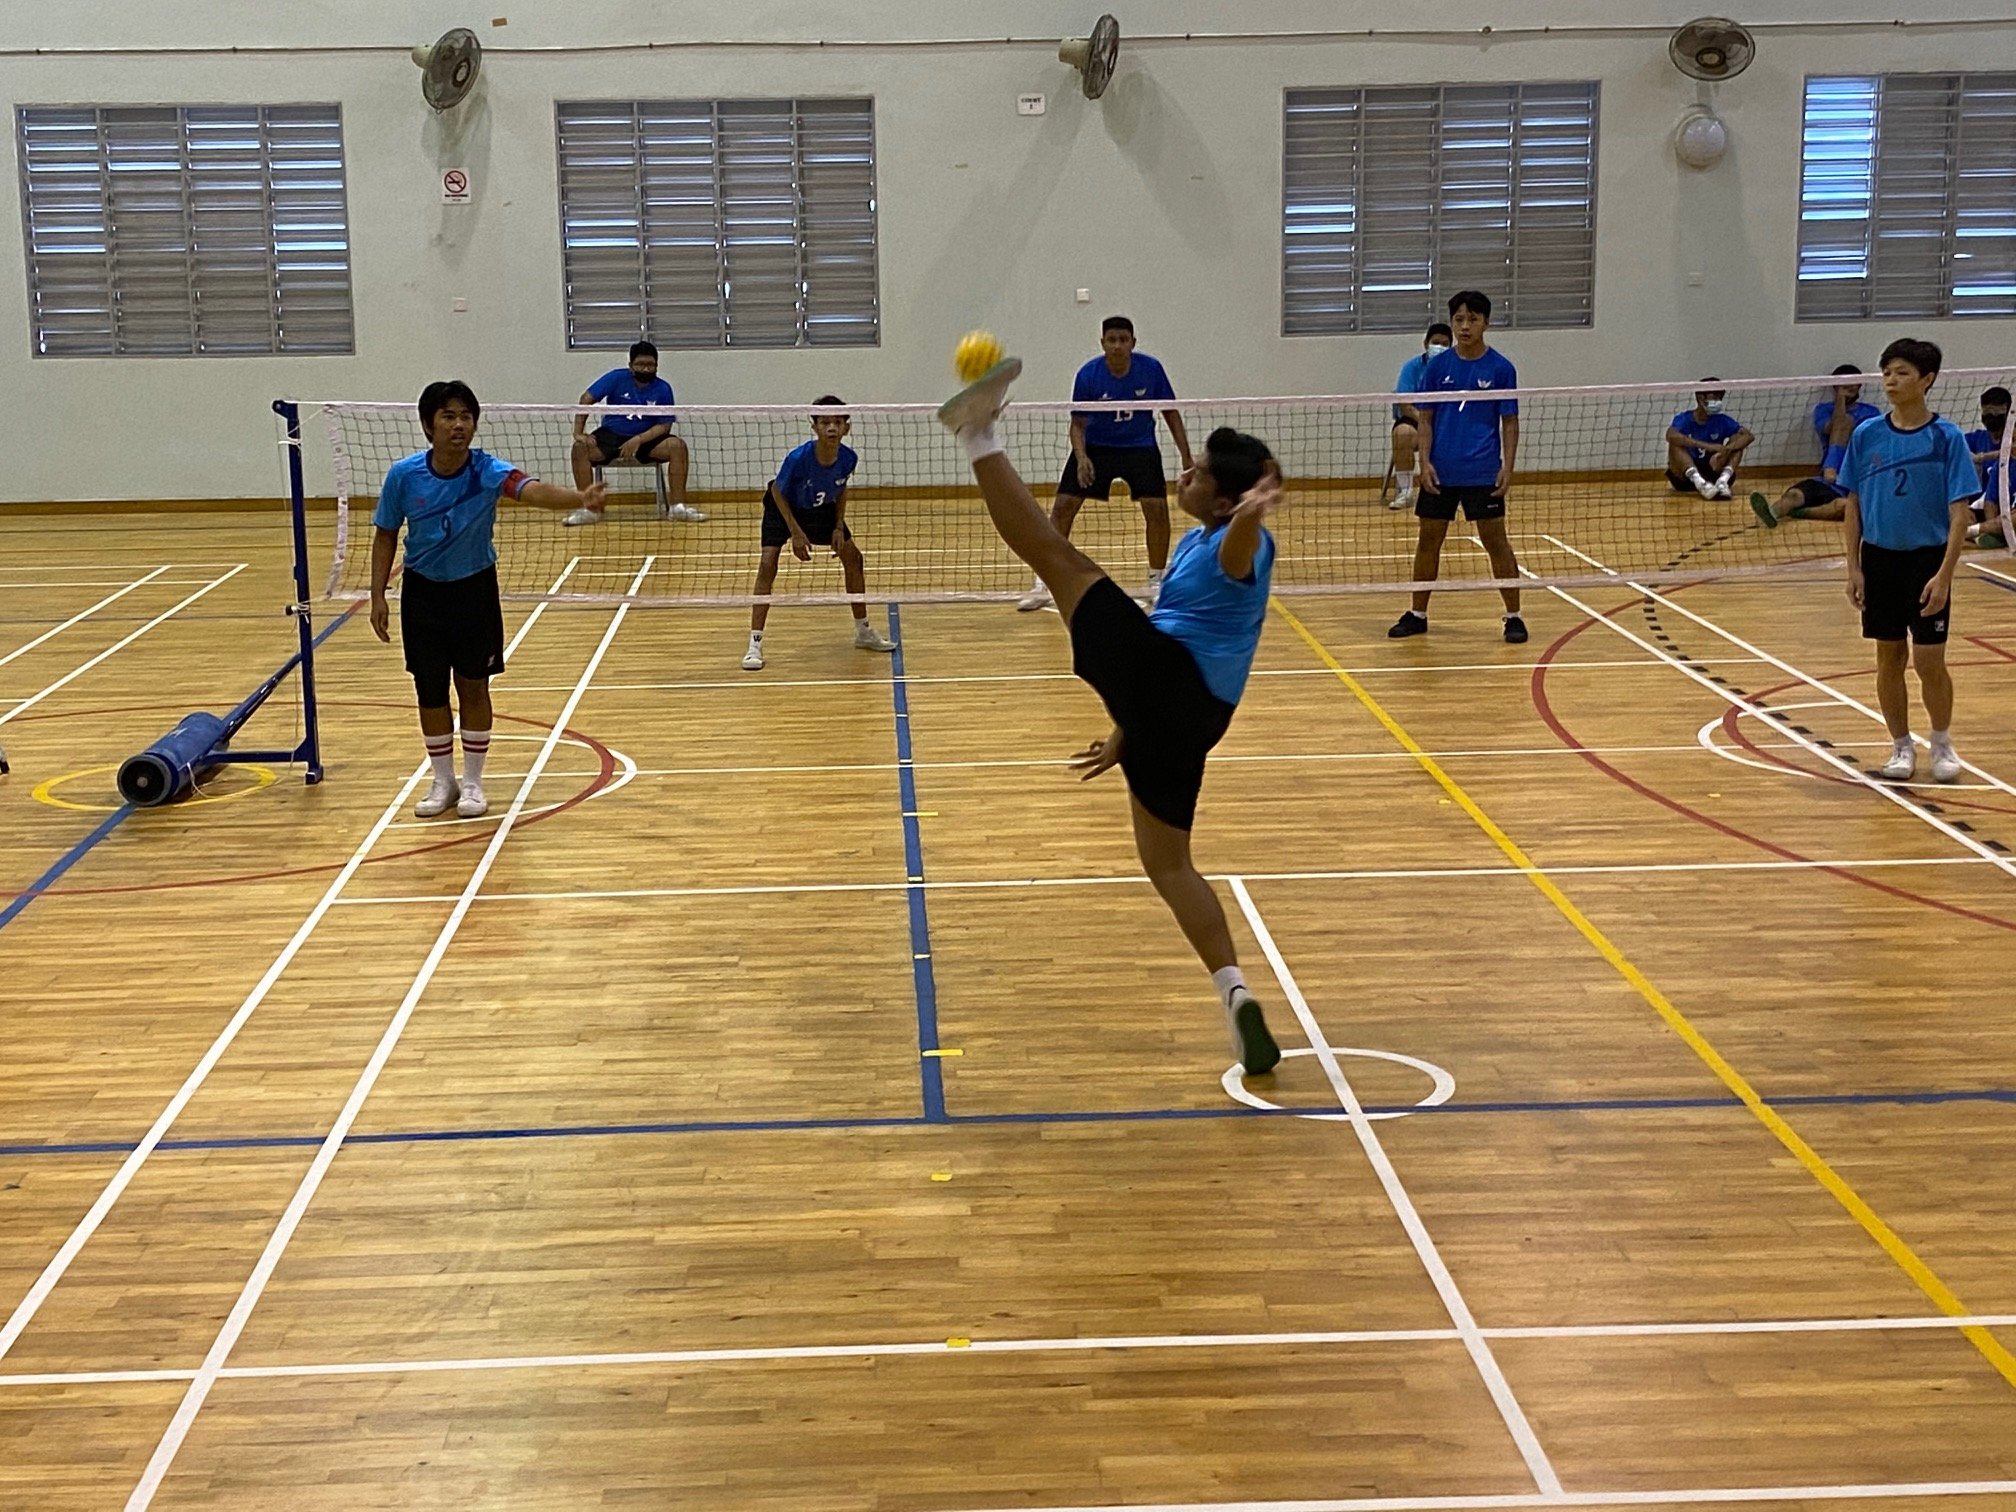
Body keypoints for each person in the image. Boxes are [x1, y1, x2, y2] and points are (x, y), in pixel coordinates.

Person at [939, 353, 1284, 1078]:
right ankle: (1237, 994)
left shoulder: (1235, 545)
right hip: (1188, 718)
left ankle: (977, 434)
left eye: (1198, 478)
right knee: (1169, 864)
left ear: (1226, 504)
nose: (1184, 476)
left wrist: (1249, 514)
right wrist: (1128, 732)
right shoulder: (1198, 538)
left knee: (1056, 556)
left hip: (1169, 681)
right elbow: (1170, 676)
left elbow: (1242, 546)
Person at [371, 381, 608, 819]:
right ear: (428, 426)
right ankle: (443, 781)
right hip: (422, 593)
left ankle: (475, 783)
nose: (458, 425)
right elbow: (385, 533)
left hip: (474, 589)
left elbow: (531, 490)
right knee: (429, 690)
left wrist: (579, 497)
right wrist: (377, 594)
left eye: (465, 416)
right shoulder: (403, 476)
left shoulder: (488, 470)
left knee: (474, 687)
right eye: (448, 416)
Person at [1838, 338, 1981, 784]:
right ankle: (1901, 747)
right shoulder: (1867, 435)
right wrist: (1854, 567)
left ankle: (1941, 743)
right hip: (1880, 560)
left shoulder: (1947, 438)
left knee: (1929, 661)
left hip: (1928, 559)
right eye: (1887, 372)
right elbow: (1854, 505)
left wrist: (1944, 576)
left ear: (1927, 380)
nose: (1891, 381)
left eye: (1901, 373)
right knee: (1889, 658)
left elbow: (1960, 516)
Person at [1018, 316, 1193, 611]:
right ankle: (1043, 583)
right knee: (1062, 507)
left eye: (1123, 340)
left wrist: (1186, 456)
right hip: (1097, 448)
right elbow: (1077, 425)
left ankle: (1157, 581)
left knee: (1157, 509)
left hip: (1139, 448)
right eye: (1111, 340)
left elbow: (1170, 413)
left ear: (1133, 343)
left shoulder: (1151, 370)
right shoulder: (1088, 375)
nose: (1117, 346)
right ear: (1102, 344)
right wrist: (1082, 456)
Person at [1388, 290, 1525, 644]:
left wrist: (1507, 468)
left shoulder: (1501, 369)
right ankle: (1417, 613)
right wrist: (1425, 462)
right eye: (1459, 320)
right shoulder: (1436, 367)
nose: (1465, 326)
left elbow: (1509, 422)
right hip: (1441, 472)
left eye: (1473, 319)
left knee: (1496, 542)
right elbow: (1427, 420)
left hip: (1482, 472)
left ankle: (1513, 616)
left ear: (1486, 323)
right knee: (1428, 541)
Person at [742, 397, 896, 670]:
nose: (832, 428)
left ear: (846, 427)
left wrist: (838, 526)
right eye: (825, 422)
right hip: (783, 509)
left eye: (837, 422)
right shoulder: (799, 458)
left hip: (821, 509)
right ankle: (755, 644)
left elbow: (841, 489)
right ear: (814, 427)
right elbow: (778, 492)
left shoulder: (848, 458)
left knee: (854, 558)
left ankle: (863, 631)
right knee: (767, 564)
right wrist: (796, 533)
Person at [563, 340, 705, 526]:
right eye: (640, 365)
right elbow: (586, 398)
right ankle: (590, 510)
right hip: (612, 435)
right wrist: (578, 432)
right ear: (630, 365)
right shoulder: (615, 378)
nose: (645, 369)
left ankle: (677, 507)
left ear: (656, 365)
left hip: (648, 438)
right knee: (580, 449)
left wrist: (637, 440)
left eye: (650, 365)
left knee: (677, 447)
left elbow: (664, 427)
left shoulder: (663, 389)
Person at [1751, 394, 1859, 528]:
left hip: (1841, 493)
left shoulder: (1866, 456)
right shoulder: (1838, 447)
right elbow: (1829, 474)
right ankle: (1772, 514)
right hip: (1819, 483)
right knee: (1794, 495)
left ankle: (1800, 513)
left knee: (1843, 507)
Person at [1389, 322, 1453, 511]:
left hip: (1447, 421)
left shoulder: (1455, 367)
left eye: (1444, 343)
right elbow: (1405, 404)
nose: (1439, 347)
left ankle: (1456, 490)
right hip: (1416, 420)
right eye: (1435, 342)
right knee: (1402, 434)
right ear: (1426, 343)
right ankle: (1405, 491)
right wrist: (1426, 423)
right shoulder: (1412, 367)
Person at [1664, 380, 1753, 499]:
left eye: (1720, 397)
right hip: (1685, 478)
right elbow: (1670, 435)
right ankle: (1700, 483)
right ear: (1701, 398)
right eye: (1714, 396)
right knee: (1675, 443)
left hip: (1713, 470)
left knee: (1738, 440)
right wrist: (1708, 446)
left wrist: (1725, 449)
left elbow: (1748, 436)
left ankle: (1723, 482)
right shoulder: (1685, 419)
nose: (1718, 400)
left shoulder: (1722, 420)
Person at [1964, 386, 2009, 547]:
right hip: (1982, 507)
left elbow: (2009, 451)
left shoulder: (2012, 440)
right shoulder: (1975, 438)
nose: (1992, 419)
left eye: (1998, 415)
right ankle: (1984, 533)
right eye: (1988, 414)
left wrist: (1983, 457)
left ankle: (1973, 533)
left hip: (2008, 507)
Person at [1812, 363, 1881, 460]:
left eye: (1854, 383)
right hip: (1837, 463)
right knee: (1845, 421)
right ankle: (1831, 468)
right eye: (1845, 384)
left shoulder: (1871, 411)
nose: (1850, 387)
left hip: (1862, 461)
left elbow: (1873, 439)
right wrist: (1841, 399)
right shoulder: (1823, 409)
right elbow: (1832, 429)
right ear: (1835, 386)